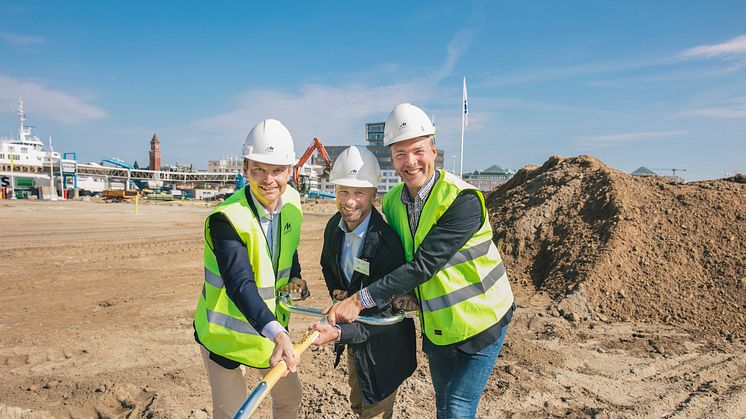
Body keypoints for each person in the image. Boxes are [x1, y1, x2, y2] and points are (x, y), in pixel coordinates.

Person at [326, 103, 516, 419]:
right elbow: (402, 260)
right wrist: (405, 295)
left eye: (418, 151)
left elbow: (424, 265)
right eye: (401, 154)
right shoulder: (394, 204)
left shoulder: (462, 200)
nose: (410, 162)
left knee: (457, 407)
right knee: (443, 403)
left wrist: (359, 301)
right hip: (438, 326)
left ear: (433, 149)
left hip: (483, 320)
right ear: (391, 158)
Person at [193, 119, 309, 419]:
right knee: (232, 413)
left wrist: (295, 274)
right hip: (226, 339)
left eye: (277, 170)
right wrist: (280, 335)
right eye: (258, 169)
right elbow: (239, 283)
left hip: (267, 336)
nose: (268, 180)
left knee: (290, 397)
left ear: (289, 171)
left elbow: (287, 247)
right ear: (245, 170)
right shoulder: (227, 218)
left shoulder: (293, 204)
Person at [309, 146, 416, 419]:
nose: (349, 201)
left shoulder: (386, 244)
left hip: (383, 347)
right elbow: (326, 264)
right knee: (359, 403)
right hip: (356, 340)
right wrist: (337, 289)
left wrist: (339, 333)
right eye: (343, 191)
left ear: (373, 195)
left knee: (374, 409)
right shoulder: (335, 226)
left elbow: (384, 314)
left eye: (359, 193)